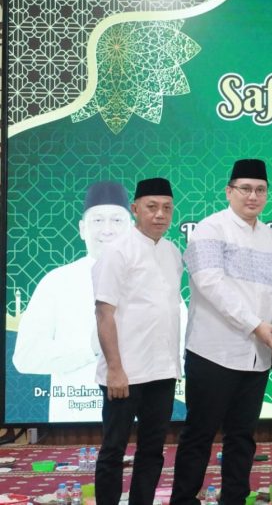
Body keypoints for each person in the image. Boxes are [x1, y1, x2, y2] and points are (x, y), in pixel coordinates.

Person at [171, 159, 272, 505]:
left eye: (260, 190)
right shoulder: (209, 229)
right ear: (229, 191)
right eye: (245, 188)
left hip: (256, 357)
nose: (253, 196)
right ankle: (183, 500)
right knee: (199, 434)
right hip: (213, 352)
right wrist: (255, 324)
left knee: (242, 436)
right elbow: (210, 284)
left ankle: (234, 499)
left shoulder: (271, 238)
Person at [92, 178, 182, 505]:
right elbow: (104, 313)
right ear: (135, 209)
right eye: (151, 207)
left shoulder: (172, 252)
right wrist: (115, 369)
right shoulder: (117, 251)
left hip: (163, 371)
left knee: (152, 449)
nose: (160, 214)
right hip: (125, 373)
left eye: (167, 208)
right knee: (114, 449)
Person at [13, 181, 132, 422]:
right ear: (82, 229)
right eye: (97, 220)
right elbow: (25, 357)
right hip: (73, 415)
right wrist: (90, 348)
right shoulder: (56, 281)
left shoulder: (152, 278)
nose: (107, 230)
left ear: (131, 228)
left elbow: (179, 349)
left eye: (117, 220)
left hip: (136, 416)